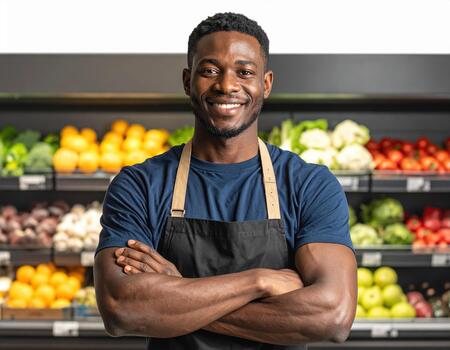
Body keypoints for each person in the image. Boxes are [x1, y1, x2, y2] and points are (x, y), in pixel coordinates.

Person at [94, 12, 357, 350]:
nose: (227, 85)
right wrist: (260, 281)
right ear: (188, 80)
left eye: (244, 72)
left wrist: (177, 293)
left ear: (266, 83)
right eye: (210, 70)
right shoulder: (139, 185)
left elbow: (332, 316)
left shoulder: (309, 185)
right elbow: (121, 309)